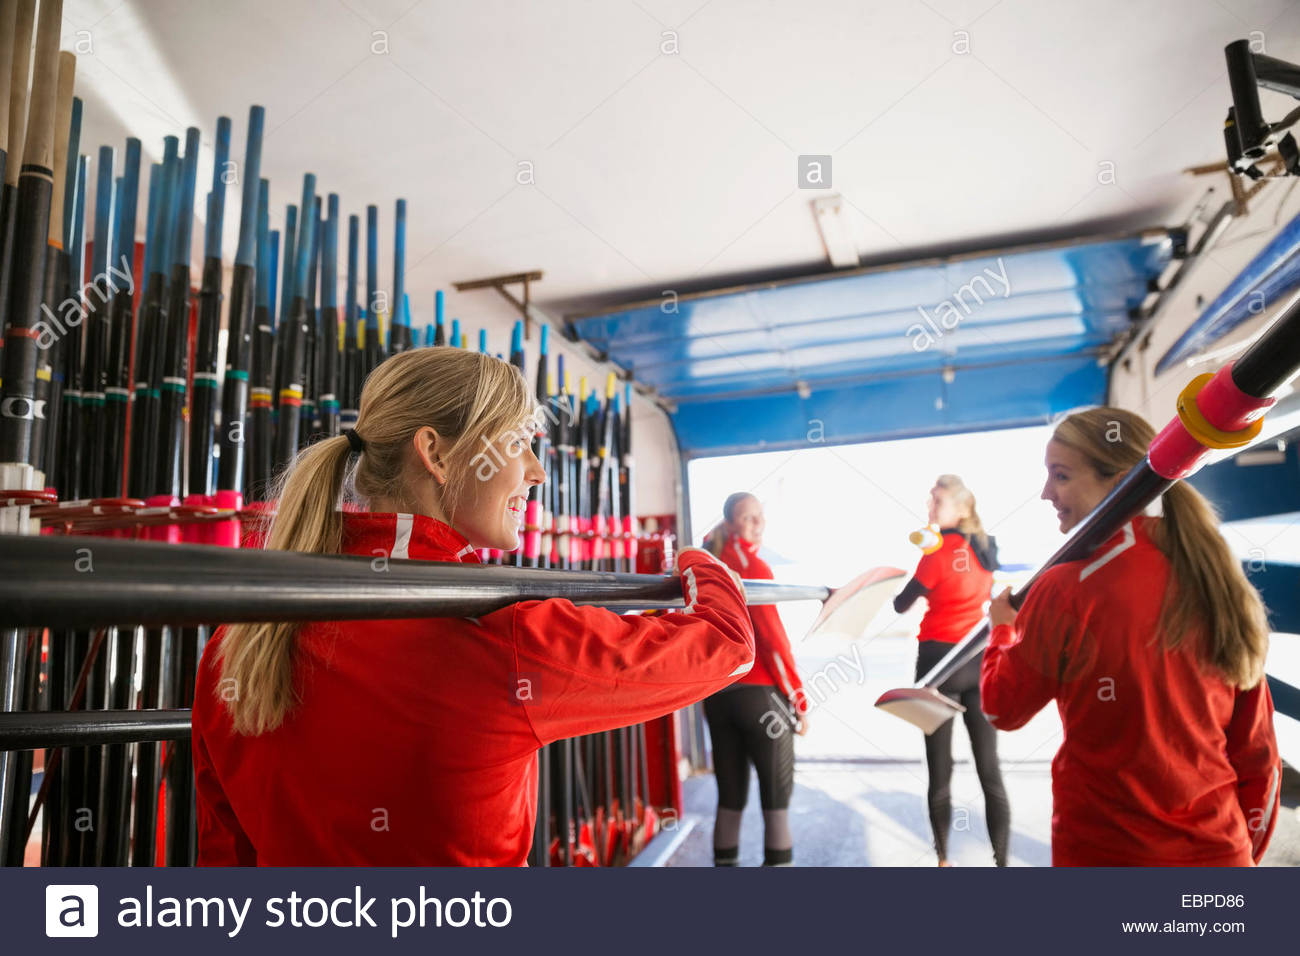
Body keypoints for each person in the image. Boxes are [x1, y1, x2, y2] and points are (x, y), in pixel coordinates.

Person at [191, 347, 756, 866]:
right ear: (435, 453)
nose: (536, 472)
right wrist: (703, 562)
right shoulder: (493, 632)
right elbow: (727, 648)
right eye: (518, 444)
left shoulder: (237, 642)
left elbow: (223, 852)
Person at [982, 407, 1281, 866]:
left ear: (1120, 481)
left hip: (1106, 855)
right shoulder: (1217, 579)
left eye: (1060, 476)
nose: (1045, 493)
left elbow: (1004, 706)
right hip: (1220, 856)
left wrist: (1001, 629)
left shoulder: (1064, 588)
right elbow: (1258, 755)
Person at [894, 475, 1009, 867]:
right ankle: (1002, 863)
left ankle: (944, 861)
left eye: (937, 502)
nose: (930, 508)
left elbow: (900, 604)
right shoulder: (985, 549)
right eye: (929, 502)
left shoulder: (936, 553)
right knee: (989, 770)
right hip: (976, 660)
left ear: (962, 508)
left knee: (939, 773)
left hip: (937, 664)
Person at [700, 493, 806, 866]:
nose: (757, 524)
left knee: (729, 800)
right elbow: (773, 640)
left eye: (760, 516)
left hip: (717, 696)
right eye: (748, 518)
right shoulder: (753, 567)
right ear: (729, 524)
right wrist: (799, 698)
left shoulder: (705, 564)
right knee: (776, 805)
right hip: (760, 696)